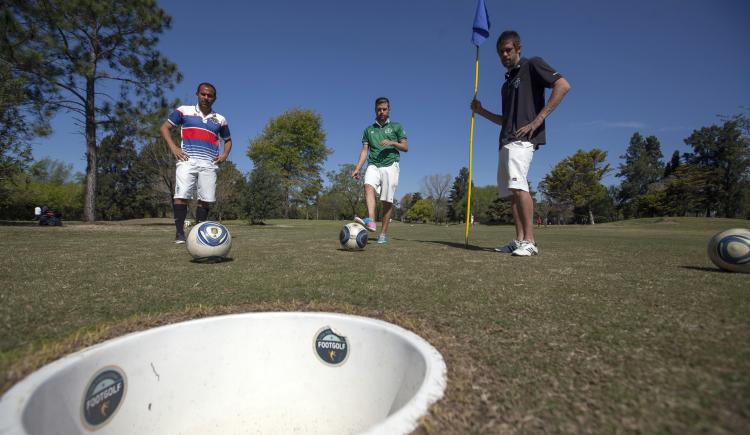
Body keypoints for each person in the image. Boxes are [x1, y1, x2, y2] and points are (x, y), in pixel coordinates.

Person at [471, 30, 570, 256]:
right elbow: (505, 120)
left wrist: (538, 119)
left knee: (519, 186)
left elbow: (563, 85)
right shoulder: (506, 85)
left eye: (508, 50)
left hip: (523, 140)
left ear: (518, 49)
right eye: (500, 52)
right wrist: (481, 111)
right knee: (511, 193)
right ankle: (519, 240)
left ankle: (531, 241)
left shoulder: (532, 65)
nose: (504, 55)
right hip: (505, 141)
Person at [160, 82, 232, 244]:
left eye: (210, 95)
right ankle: (179, 234)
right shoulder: (184, 111)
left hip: (209, 164)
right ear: (197, 95)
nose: (206, 98)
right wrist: (174, 148)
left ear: (215, 98)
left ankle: (199, 233)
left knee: (206, 199)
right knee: (181, 195)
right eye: (203, 94)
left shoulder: (220, 119)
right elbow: (164, 128)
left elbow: (227, 140)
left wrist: (224, 155)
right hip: (187, 161)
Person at [352, 97, 408, 245]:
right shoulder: (368, 130)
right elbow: (365, 151)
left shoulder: (396, 127)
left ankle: (382, 234)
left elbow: (405, 147)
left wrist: (392, 142)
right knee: (368, 185)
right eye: (379, 109)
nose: (381, 112)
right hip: (374, 164)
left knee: (386, 201)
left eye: (384, 109)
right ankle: (371, 220)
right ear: (375, 110)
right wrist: (357, 168)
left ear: (389, 110)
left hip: (391, 165)